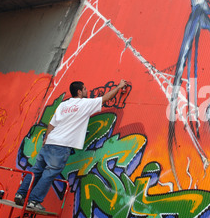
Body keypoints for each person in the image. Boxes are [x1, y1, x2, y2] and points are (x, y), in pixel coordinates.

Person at [14, 79, 128, 211]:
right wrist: (119, 87)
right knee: (50, 173)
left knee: (36, 170)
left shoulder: (63, 105)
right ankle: (33, 201)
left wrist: (46, 139)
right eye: (85, 89)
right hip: (61, 145)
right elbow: (104, 98)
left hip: (50, 142)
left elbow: (52, 124)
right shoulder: (84, 104)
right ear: (79, 92)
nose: (87, 91)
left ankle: (20, 194)